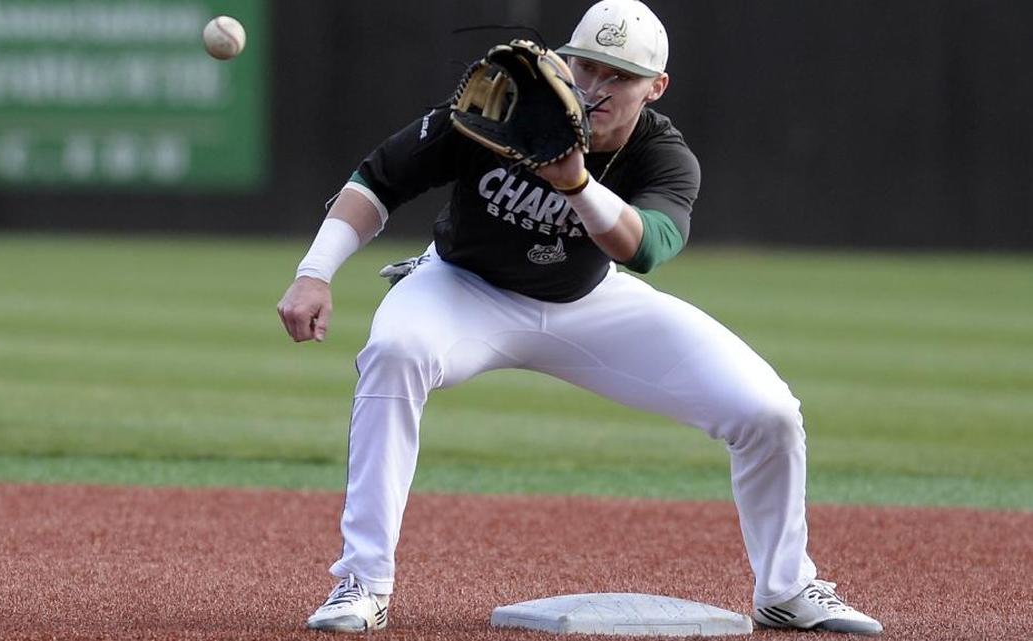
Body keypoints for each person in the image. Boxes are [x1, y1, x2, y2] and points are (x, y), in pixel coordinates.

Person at [278, 0, 882, 635]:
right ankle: (362, 581)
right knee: (395, 352)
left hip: (591, 303)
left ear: (656, 87)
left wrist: (575, 182)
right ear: (563, 61)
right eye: (586, 65)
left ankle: (785, 589)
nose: (596, 88)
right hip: (462, 288)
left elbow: (644, 248)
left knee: (769, 413)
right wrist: (315, 272)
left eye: (619, 75)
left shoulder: (665, 156)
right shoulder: (501, 110)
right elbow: (378, 179)